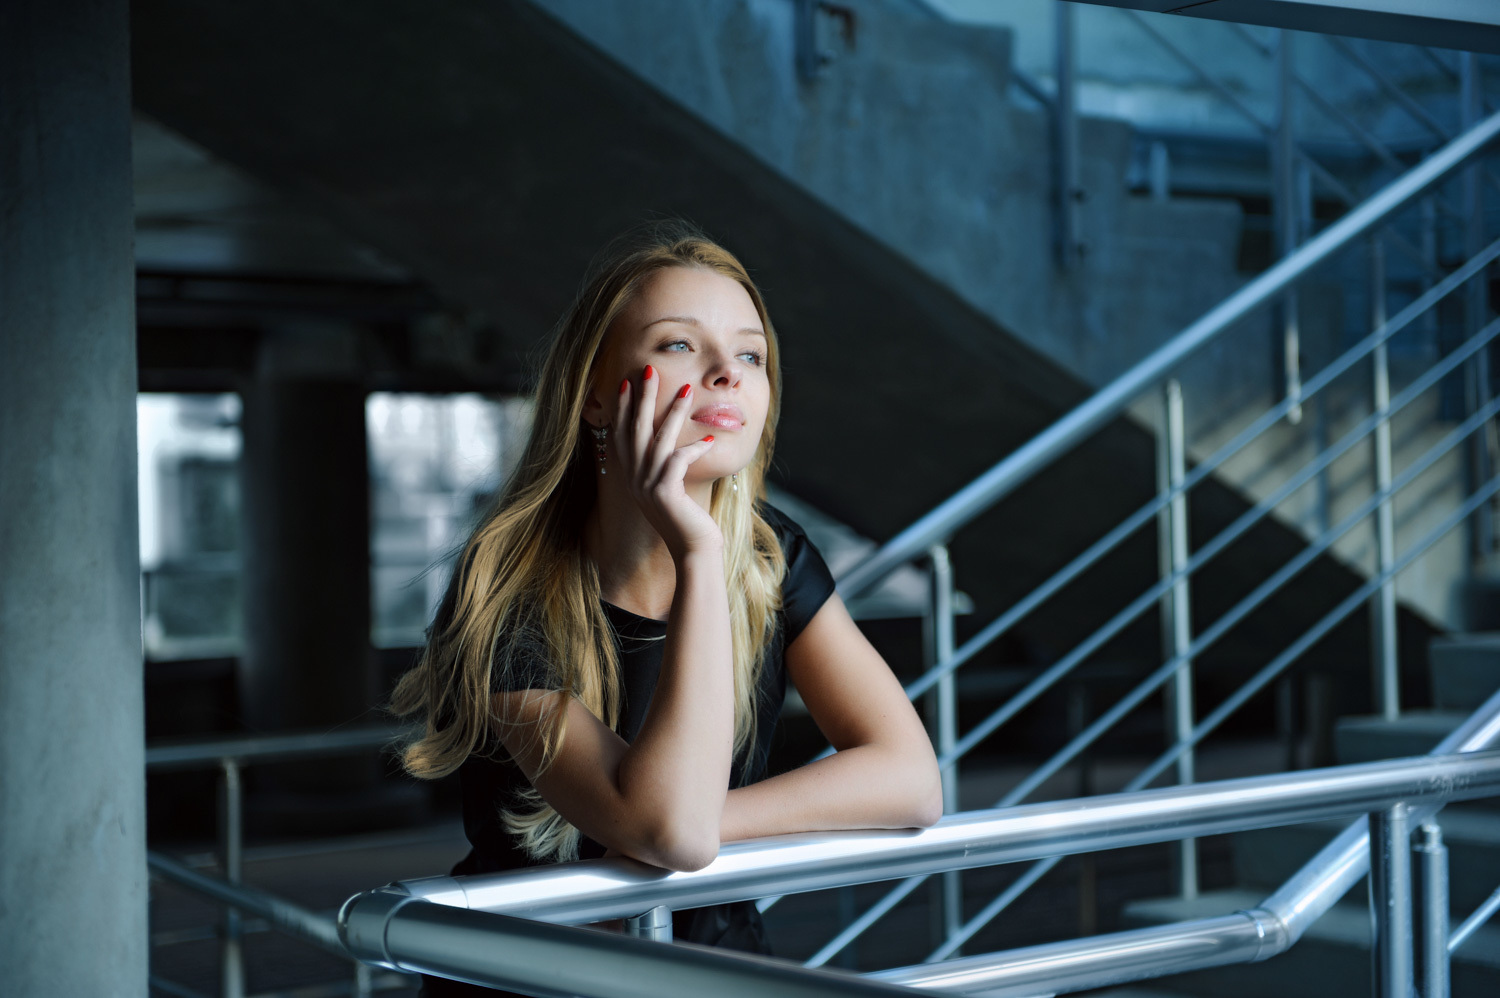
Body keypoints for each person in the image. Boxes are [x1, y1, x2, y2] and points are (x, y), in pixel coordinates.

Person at [388, 219, 942, 995]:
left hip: (717, 971)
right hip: (536, 979)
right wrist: (695, 550)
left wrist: (717, 821)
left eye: (750, 354)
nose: (726, 373)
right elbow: (667, 830)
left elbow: (912, 781)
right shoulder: (504, 586)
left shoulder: (769, 557)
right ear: (592, 395)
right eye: (680, 344)